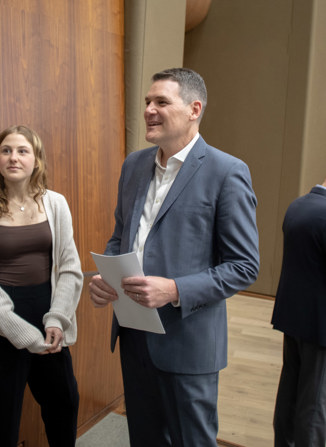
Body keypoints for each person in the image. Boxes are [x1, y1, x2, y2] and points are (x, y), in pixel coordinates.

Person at [89, 68, 259, 446]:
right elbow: (122, 237)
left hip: (188, 343)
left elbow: (244, 266)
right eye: (147, 102)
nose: (149, 109)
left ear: (194, 109)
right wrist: (106, 278)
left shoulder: (227, 172)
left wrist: (175, 290)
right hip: (134, 338)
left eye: (161, 102)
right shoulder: (134, 165)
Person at [0, 125, 82, 447]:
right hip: (1, 326)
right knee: (3, 418)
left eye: (22, 150)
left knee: (65, 404)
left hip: (49, 321)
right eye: (6, 151)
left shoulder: (56, 204)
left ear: (36, 159)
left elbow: (70, 268)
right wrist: (23, 334)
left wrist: (57, 318)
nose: (13, 157)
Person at [271, 178, 326, 447]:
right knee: (315, 405)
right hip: (321, 328)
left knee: (290, 396)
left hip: (294, 318)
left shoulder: (298, 206)